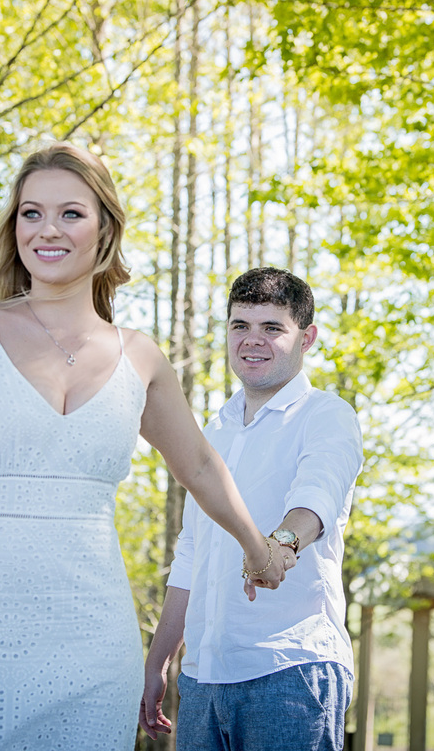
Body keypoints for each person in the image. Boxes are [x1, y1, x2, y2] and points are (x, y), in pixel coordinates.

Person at [0, 143, 289, 751]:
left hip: (94, 638)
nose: (47, 229)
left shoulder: (140, 356)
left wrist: (258, 548)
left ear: (105, 229)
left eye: (71, 213)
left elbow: (200, 465)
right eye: (31, 213)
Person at [140, 267, 364, 750]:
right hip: (201, 680)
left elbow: (316, 498)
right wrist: (158, 663)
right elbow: (192, 553)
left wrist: (280, 545)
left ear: (307, 339)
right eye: (240, 325)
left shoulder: (327, 415)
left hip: (291, 673)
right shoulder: (213, 432)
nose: (252, 340)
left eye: (272, 328)